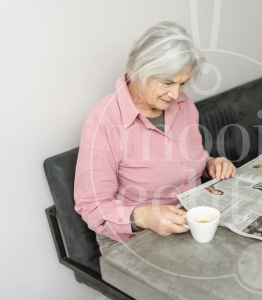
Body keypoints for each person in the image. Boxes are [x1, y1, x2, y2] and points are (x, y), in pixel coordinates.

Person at [74, 21, 236, 254]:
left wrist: (210, 164)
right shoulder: (103, 122)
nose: (176, 94)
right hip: (136, 237)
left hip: (191, 218)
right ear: (140, 70)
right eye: (167, 82)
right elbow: (92, 207)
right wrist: (145, 216)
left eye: (182, 83)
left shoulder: (183, 104)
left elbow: (186, 162)